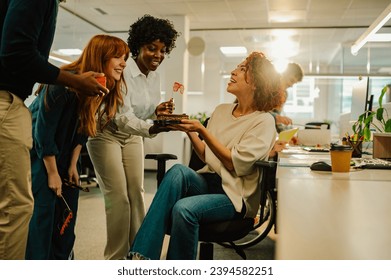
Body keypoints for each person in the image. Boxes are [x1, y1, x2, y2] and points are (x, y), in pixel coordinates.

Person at [127, 51, 283, 260]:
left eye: (242, 69)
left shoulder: (263, 122)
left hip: (235, 196)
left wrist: (202, 130)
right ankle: (141, 257)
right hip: (208, 182)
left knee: (184, 208)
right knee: (178, 171)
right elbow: (205, 155)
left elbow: (234, 165)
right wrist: (189, 129)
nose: (233, 71)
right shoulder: (221, 110)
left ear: (256, 82)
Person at [0, 0, 109, 260]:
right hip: (7, 103)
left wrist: (71, 162)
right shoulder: (64, 89)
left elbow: (83, 128)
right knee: (15, 209)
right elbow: (16, 52)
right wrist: (72, 80)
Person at [25, 34, 129, 260]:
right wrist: (52, 173)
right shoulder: (64, 83)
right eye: (117, 57)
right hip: (41, 155)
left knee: (66, 215)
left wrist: (73, 164)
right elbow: (43, 131)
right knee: (44, 216)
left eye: (125, 58)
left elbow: (84, 127)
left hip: (66, 154)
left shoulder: (98, 86)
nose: (123, 63)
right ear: (100, 56)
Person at [86, 14, 179, 260]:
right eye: (151, 48)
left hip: (131, 137)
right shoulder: (123, 72)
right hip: (106, 134)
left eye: (162, 50)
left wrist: (156, 113)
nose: (158, 55)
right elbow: (120, 116)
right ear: (137, 46)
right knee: (119, 199)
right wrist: (153, 128)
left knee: (136, 195)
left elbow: (142, 112)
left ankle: (138, 253)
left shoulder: (154, 76)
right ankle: (115, 259)